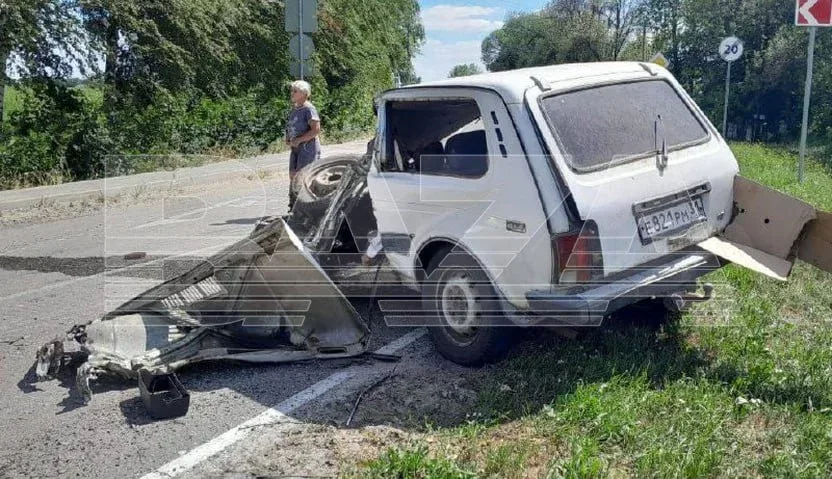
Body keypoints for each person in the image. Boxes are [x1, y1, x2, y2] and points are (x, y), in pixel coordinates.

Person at [286, 80, 321, 209]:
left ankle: (306, 205)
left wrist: (300, 140)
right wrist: (288, 138)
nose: (292, 93)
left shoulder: (309, 109)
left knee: (303, 176)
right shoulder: (295, 109)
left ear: (304, 94)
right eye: (292, 90)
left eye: (295, 91)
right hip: (295, 147)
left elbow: (316, 130)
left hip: (307, 148)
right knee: (293, 175)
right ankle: (293, 204)